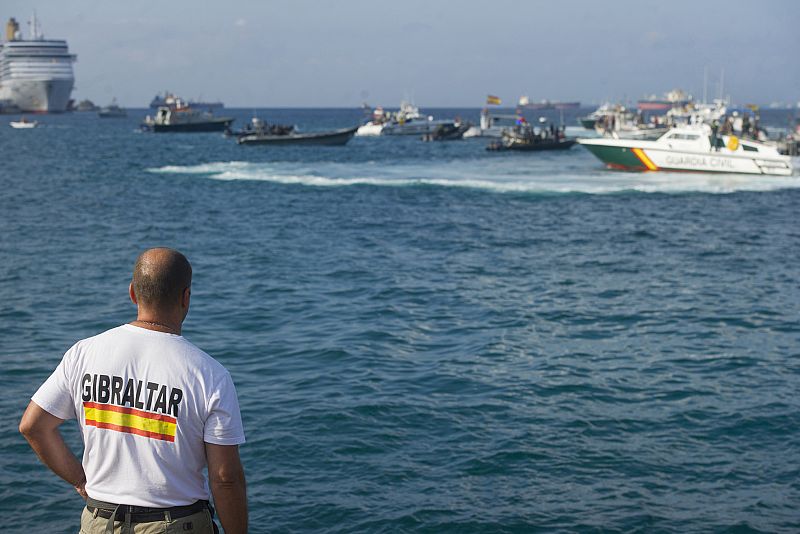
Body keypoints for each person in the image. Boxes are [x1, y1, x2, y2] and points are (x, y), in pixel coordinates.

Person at [19, 248, 247, 533]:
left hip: (100, 522)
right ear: (186, 297)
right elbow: (225, 478)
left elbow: (33, 426)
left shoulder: (83, 353)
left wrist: (81, 481)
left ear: (132, 293)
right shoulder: (210, 374)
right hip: (175, 525)